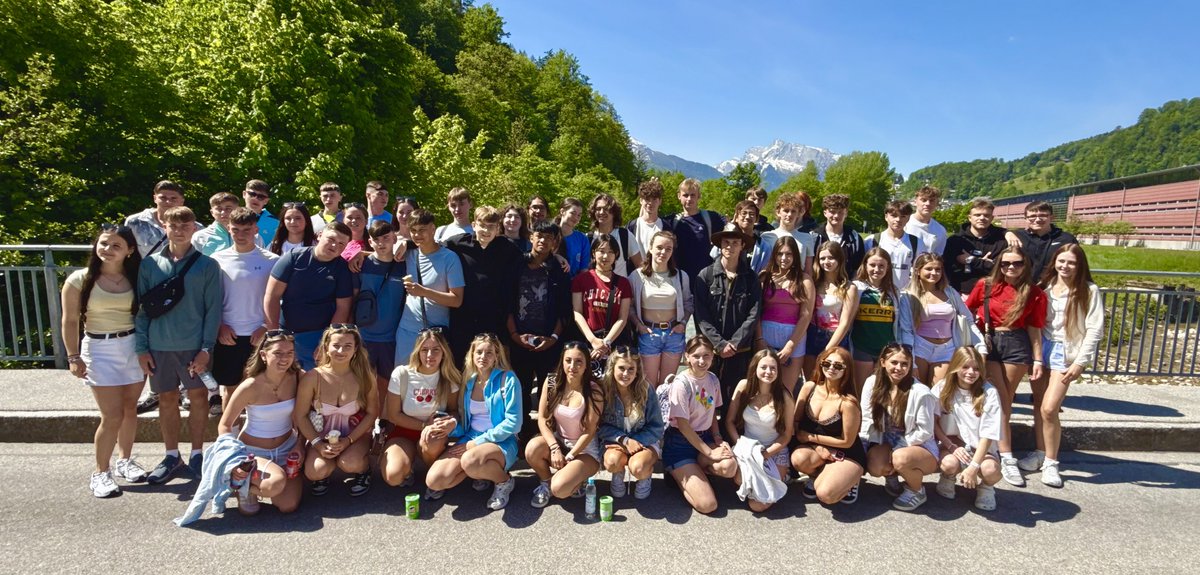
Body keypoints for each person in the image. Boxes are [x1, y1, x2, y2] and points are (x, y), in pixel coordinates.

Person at [134, 206, 223, 485]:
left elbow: (213, 310)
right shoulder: (149, 264)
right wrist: (141, 347)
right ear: (165, 226)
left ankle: (197, 454)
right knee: (167, 399)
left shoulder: (208, 265)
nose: (180, 229)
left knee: (198, 399)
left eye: (186, 225)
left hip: (194, 345)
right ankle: (172, 455)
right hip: (159, 345)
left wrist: (206, 348)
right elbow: (142, 310)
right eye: (174, 225)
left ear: (194, 228)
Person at [61, 224, 147, 497]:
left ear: (129, 251)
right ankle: (101, 472)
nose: (107, 250)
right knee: (111, 416)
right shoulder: (79, 279)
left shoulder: (136, 277)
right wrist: (73, 356)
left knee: (130, 408)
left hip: (132, 346)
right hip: (99, 348)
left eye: (116, 246)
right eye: (103, 244)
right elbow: (70, 320)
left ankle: (125, 460)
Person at [1019, 244, 1104, 487]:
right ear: (1054, 262)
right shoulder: (1044, 288)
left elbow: (1095, 329)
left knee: (1049, 408)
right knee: (1038, 405)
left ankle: (1051, 462)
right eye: (1061, 261)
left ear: (1080, 266)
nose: (1065, 266)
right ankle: (1039, 452)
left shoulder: (1089, 291)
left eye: (1071, 263)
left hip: (1065, 353)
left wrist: (1080, 362)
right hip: (1041, 349)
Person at [965, 246, 1046, 487]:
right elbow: (966, 310)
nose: (1011, 268)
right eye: (1006, 263)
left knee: (1006, 401)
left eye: (1017, 263)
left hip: (1016, 343)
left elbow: (1035, 328)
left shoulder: (1034, 292)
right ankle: (1004, 455)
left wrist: (1038, 358)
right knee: (997, 400)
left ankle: (1001, 453)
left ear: (1025, 265)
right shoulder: (986, 285)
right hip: (989, 341)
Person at [424, 333, 523, 509]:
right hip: (470, 439)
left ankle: (504, 481)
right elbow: (466, 422)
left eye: (489, 353)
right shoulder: (468, 382)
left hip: (502, 441)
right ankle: (480, 473)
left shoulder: (508, 379)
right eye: (479, 352)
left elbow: (514, 423)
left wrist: (478, 442)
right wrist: (451, 426)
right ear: (472, 354)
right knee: (434, 480)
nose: (483, 357)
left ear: (496, 356)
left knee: (470, 460)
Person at [216, 330, 305, 515]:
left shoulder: (298, 377)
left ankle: (257, 483)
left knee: (288, 505)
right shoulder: (250, 386)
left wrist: (300, 445)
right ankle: (241, 485)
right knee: (272, 487)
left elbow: (306, 415)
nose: (285, 358)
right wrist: (233, 458)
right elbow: (225, 424)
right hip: (253, 453)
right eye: (278, 353)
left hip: (288, 449)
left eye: (289, 353)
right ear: (264, 355)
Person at [293, 324, 380, 497]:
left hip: (355, 435)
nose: (341, 350)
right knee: (314, 472)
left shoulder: (365, 376)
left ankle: (363, 470)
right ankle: (325, 469)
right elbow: (300, 415)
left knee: (349, 463)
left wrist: (348, 441)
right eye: (336, 345)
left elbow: (372, 413)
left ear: (356, 349)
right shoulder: (312, 378)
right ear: (326, 346)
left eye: (348, 346)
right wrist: (317, 444)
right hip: (320, 436)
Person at [211, 208, 278, 412]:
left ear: (256, 229)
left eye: (246, 230)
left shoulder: (271, 260)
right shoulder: (216, 259)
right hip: (228, 335)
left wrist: (266, 327)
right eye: (235, 230)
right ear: (229, 229)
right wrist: (220, 326)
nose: (240, 235)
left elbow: (277, 299)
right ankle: (229, 438)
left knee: (258, 389)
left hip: (258, 335)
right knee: (230, 390)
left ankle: (255, 439)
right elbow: (212, 300)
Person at [380, 329, 461, 493]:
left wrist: (450, 422)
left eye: (436, 349)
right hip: (403, 431)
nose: (430, 355)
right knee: (393, 476)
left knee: (432, 441)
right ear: (418, 351)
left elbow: (454, 411)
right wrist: (425, 425)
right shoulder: (402, 373)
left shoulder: (449, 377)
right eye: (425, 350)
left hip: (434, 435)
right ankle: (407, 468)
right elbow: (393, 415)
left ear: (444, 352)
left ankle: (434, 479)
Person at [662, 336, 737, 514]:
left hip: (705, 438)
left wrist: (718, 439)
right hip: (680, 442)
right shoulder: (682, 384)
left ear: (713, 357)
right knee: (708, 505)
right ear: (687, 356)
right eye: (696, 356)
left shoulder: (712, 380)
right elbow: (683, 425)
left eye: (707, 356)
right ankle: (677, 474)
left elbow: (711, 413)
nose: (702, 361)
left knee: (729, 467)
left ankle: (697, 468)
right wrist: (710, 452)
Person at [264, 222, 354, 369]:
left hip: (317, 336)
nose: (334, 246)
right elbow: (272, 296)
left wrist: (326, 343)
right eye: (331, 239)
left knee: (312, 387)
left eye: (341, 243)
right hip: (285, 332)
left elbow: (343, 308)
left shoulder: (342, 268)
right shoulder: (294, 257)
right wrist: (273, 334)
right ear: (319, 236)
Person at [860, 343, 938, 512]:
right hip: (886, 441)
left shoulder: (921, 392)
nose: (899, 368)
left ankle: (917, 490)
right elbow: (867, 419)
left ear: (911, 365)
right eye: (894, 362)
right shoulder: (872, 383)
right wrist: (866, 446)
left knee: (900, 459)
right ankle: (893, 476)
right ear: (882, 362)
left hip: (918, 446)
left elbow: (925, 431)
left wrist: (898, 449)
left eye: (904, 364)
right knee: (874, 465)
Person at [526, 342, 606, 507]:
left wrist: (570, 456)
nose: (572, 366)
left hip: (585, 451)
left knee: (560, 490)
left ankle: (577, 478)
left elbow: (590, 431)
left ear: (586, 365)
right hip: (560, 442)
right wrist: (555, 448)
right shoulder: (551, 382)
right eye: (568, 360)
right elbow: (542, 418)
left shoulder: (594, 390)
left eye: (579, 361)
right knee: (532, 448)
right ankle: (546, 482)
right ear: (562, 361)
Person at [694, 225, 761, 412]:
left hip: (740, 351)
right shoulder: (705, 275)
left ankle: (730, 432)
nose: (730, 247)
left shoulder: (750, 278)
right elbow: (701, 314)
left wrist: (735, 343)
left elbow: (754, 313)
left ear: (742, 246)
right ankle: (707, 430)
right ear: (720, 245)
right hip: (712, 351)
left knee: (736, 395)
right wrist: (719, 343)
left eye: (735, 243)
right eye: (726, 242)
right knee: (706, 396)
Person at [509, 221, 571, 418]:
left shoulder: (559, 270)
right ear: (531, 237)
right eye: (539, 235)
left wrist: (553, 338)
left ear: (554, 242)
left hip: (549, 342)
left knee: (549, 389)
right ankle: (522, 432)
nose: (543, 240)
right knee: (521, 389)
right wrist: (514, 335)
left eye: (549, 237)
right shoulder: (516, 265)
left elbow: (564, 309)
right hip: (519, 339)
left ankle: (547, 429)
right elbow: (506, 304)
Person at [445, 206, 522, 364]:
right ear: (474, 225)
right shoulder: (458, 243)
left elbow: (530, 259)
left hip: (493, 320)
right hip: (463, 319)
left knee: (491, 366)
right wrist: (407, 245)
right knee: (461, 366)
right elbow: (432, 248)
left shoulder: (507, 247)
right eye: (482, 226)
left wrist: (557, 258)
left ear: (497, 228)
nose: (486, 230)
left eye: (491, 227)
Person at [791, 347, 866, 505]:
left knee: (825, 495)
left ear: (846, 370)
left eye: (838, 366)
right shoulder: (809, 388)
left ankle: (852, 479)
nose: (831, 368)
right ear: (821, 364)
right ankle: (820, 474)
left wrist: (813, 438)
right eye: (827, 363)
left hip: (846, 454)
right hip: (816, 448)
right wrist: (818, 447)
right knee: (798, 459)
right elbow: (796, 423)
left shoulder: (848, 402)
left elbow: (847, 442)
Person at [931, 346, 1003, 511]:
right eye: (965, 367)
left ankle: (986, 486)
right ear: (955, 366)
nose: (971, 372)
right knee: (949, 464)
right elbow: (933, 422)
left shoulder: (989, 392)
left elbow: (988, 434)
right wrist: (950, 445)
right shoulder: (942, 388)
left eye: (976, 368)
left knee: (990, 470)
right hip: (952, 444)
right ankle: (948, 476)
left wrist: (974, 466)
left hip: (981, 449)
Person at [724, 349, 795, 512]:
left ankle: (783, 474)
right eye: (764, 367)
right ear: (755, 368)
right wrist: (739, 444)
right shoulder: (743, 386)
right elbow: (729, 421)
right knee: (739, 478)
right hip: (747, 448)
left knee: (757, 506)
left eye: (773, 368)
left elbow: (786, 435)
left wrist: (765, 454)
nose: (768, 372)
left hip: (773, 451)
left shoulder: (784, 396)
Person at [905, 253, 986, 387]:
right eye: (929, 269)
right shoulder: (908, 295)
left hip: (947, 348)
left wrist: (980, 346)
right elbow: (906, 329)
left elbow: (968, 320)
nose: (934, 273)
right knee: (919, 390)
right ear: (918, 271)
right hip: (920, 347)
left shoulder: (950, 292)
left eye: (938, 269)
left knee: (939, 392)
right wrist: (911, 360)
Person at [395, 209, 465, 363]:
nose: (417, 235)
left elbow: (456, 300)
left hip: (436, 332)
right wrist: (360, 255)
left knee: (433, 383)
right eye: (413, 231)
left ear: (433, 229)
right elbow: (379, 255)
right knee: (403, 380)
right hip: (407, 329)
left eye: (422, 230)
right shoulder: (408, 253)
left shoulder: (449, 258)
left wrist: (424, 291)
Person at [627, 230, 692, 387]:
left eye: (668, 249)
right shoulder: (637, 276)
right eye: (659, 247)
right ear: (650, 248)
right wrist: (639, 326)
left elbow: (688, 303)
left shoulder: (680, 276)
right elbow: (629, 306)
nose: (663, 252)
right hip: (649, 334)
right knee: (648, 385)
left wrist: (682, 323)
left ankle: (666, 412)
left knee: (667, 385)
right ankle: (650, 412)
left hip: (673, 334)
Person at [598, 347, 664, 499]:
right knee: (612, 461)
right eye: (621, 368)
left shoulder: (646, 390)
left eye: (631, 369)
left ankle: (645, 475)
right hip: (616, 441)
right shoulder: (603, 389)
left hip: (645, 441)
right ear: (612, 367)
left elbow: (657, 427)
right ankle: (618, 471)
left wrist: (635, 442)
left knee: (638, 467)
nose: (626, 374)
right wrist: (625, 441)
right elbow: (597, 426)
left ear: (637, 371)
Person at [847, 248, 914, 397]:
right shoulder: (856, 288)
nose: (876, 269)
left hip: (887, 350)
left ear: (888, 268)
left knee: (883, 393)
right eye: (872, 265)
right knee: (862, 393)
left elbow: (902, 324)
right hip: (861, 348)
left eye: (882, 266)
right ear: (865, 265)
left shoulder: (895, 292)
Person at [356, 221, 407, 408]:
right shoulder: (361, 264)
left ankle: (382, 424)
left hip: (391, 337)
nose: (382, 243)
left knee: (386, 382)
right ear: (370, 241)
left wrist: (407, 243)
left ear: (394, 237)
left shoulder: (403, 264)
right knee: (363, 384)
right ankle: (365, 426)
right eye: (376, 239)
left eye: (386, 238)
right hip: (364, 336)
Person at [755, 235, 815, 395]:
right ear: (774, 255)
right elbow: (756, 313)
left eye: (789, 254)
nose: (784, 258)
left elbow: (806, 315)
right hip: (766, 335)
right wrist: (760, 339)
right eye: (780, 253)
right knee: (764, 389)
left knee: (785, 391)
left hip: (794, 337)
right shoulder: (764, 277)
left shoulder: (805, 280)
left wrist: (790, 345)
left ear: (795, 256)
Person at [572, 235, 633, 369]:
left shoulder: (623, 283)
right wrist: (593, 340)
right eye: (601, 251)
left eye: (611, 252)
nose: (606, 256)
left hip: (613, 343)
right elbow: (577, 313)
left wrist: (605, 343)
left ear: (616, 255)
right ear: (593, 253)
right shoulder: (581, 280)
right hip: (587, 342)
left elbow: (623, 318)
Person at [804, 241, 856, 379]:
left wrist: (827, 350)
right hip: (812, 334)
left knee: (832, 381)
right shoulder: (813, 283)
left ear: (839, 259)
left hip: (836, 337)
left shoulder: (849, 287)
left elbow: (845, 322)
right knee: (811, 380)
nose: (826, 262)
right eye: (822, 258)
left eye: (831, 258)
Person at [944, 197, 1009, 295]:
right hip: (961, 295)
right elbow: (947, 269)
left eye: (986, 215)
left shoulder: (1001, 242)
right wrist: (954, 293)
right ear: (970, 217)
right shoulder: (955, 241)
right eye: (977, 215)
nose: (982, 218)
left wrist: (972, 260)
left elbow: (999, 269)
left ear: (992, 218)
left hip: (992, 295)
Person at [125, 180, 202, 259]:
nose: (168, 201)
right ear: (155, 198)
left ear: (182, 201)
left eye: (173, 198)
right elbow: (125, 251)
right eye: (163, 198)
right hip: (143, 270)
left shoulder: (196, 229)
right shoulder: (135, 222)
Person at [1007, 200, 1079, 281]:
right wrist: (1006, 233)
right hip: (1021, 286)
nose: (1037, 219)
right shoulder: (1017, 236)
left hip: (1053, 288)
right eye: (1032, 216)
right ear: (1026, 219)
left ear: (1051, 217)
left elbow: (1079, 265)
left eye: (1043, 215)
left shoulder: (1066, 239)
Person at [864, 199, 926, 290]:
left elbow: (921, 270)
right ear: (886, 216)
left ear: (908, 218)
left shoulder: (917, 243)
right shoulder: (872, 240)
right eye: (894, 215)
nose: (898, 220)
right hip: (876, 293)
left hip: (905, 294)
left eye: (903, 216)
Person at [672, 178, 726, 279]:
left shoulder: (711, 218)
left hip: (706, 277)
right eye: (685, 195)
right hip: (680, 278)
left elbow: (731, 229)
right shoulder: (673, 221)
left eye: (693, 195)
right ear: (679, 196)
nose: (689, 199)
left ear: (699, 196)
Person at [758, 192, 817, 276]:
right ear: (778, 212)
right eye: (786, 210)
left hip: (797, 283)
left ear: (799, 213)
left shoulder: (807, 238)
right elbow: (762, 267)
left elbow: (808, 270)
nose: (789, 214)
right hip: (772, 284)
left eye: (793, 211)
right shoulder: (767, 236)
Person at [588, 192, 642, 277]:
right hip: (595, 288)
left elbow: (640, 265)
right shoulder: (589, 238)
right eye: (598, 209)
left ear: (614, 212)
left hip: (620, 288)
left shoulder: (624, 235)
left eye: (606, 209)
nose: (601, 212)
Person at [812, 193, 866, 278]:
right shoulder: (814, 237)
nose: (836, 216)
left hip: (846, 286)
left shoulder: (854, 238)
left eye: (840, 212)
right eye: (832, 212)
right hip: (819, 287)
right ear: (825, 213)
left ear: (846, 213)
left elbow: (858, 267)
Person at [626, 178, 670, 256]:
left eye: (654, 199)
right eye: (647, 199)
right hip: (635, 268)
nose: (650, 203)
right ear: (641, 201)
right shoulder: (631, 226)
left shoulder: (666, 227)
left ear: (660, 201)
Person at [904, 185, 947, 256]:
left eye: (932, 200)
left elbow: (938, 257)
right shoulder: (904, 224)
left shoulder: (940, 230)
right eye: (924, 200)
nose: (928, 204)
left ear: (937, 203)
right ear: (915, 202)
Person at [557, 197, 591, 278]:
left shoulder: (582, 239)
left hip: (573, 286)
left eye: (579, 215)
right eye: (573, 213)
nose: (576, 218)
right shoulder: (550, 233)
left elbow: (584, 269)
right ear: (562, 211)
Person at [242, 179, 279, 247]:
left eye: (261, 197)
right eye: (252, 194)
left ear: (266, 201)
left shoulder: (276, 223)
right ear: (244, 194)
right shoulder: (231, 218)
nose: (255, 198)